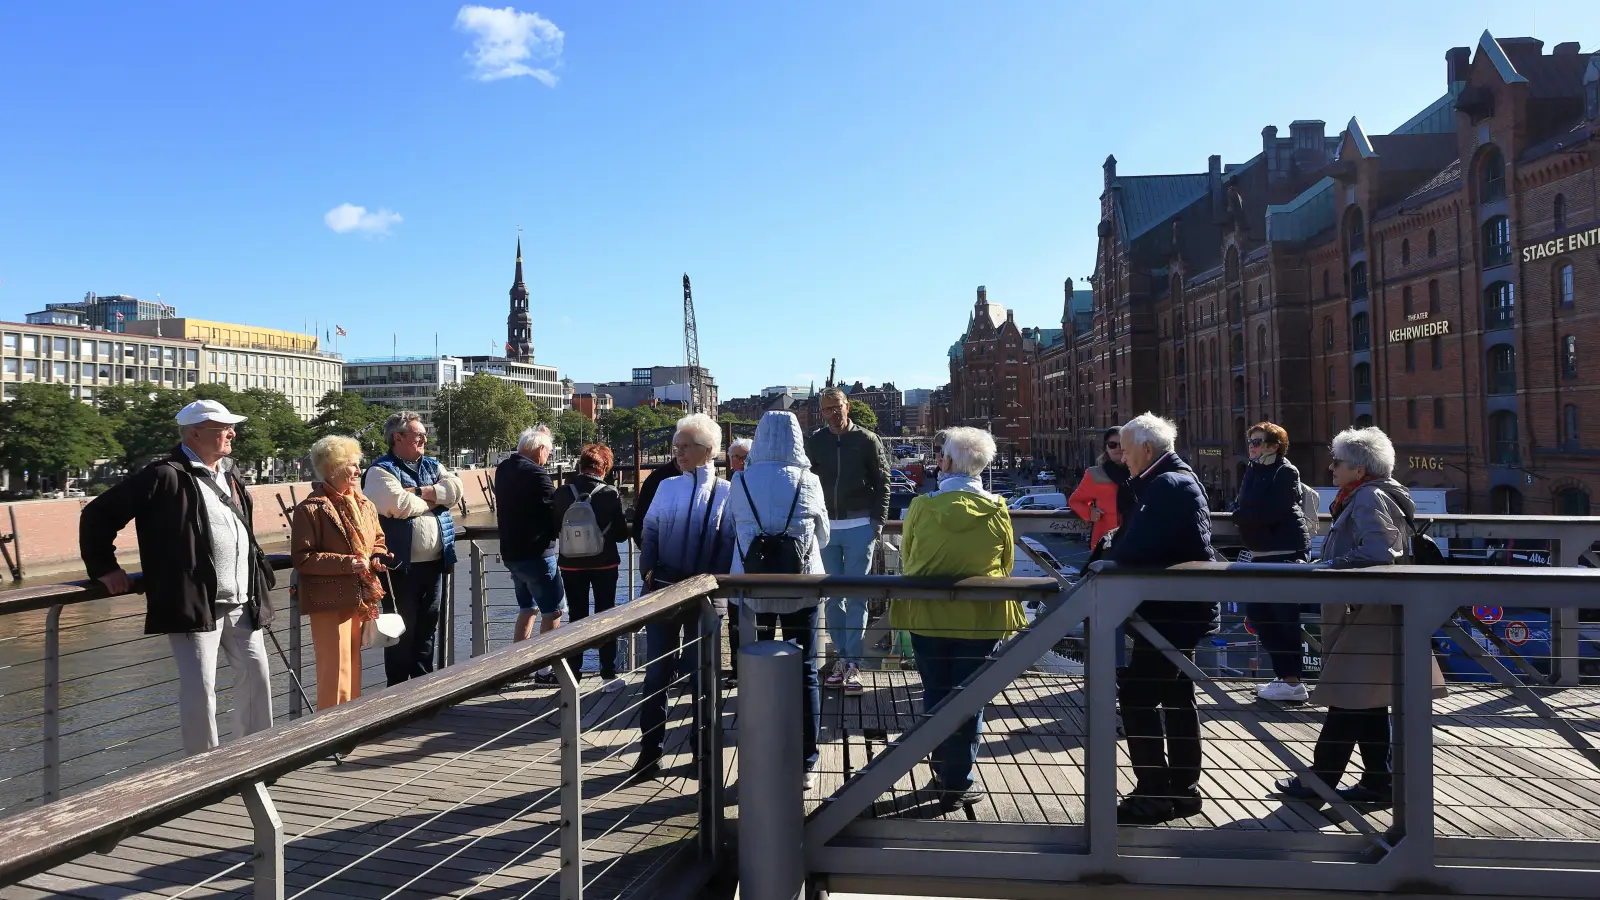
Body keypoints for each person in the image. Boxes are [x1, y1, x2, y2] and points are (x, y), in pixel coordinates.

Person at [80, 399, 276, 755]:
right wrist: (105, 568)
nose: (232, 433)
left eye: (232, 427)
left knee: (257, 674)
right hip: (194, 601)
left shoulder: (230, 474)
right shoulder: (164, 474)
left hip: (242, 600)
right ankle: (203, 771)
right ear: (195, 432)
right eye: (223, 428)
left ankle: (256, 756)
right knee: (201, 687)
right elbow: (97, 515)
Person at [1275, 426, 1446, 806]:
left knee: (1347, 698)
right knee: (1368, 701)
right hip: (1377, 613)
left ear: (1359, 468)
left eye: (1338, 463)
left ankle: (1321, 781)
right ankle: (1378, 781)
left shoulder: (1369, 498)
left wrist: (1333, 566)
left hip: (1366, 615)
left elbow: (1380, 553)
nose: (1331, 468)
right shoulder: (1375, 494)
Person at [892, 426, 1025, 811]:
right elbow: (1006, 564)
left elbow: (908, 560)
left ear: (947, 462)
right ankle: (958, 779)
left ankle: (940, 767)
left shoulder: (921, 507)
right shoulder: (999, 509)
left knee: (935, 690)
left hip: (928, 615)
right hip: (980, 618)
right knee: (971, 698)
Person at [1109, 413, 1220, 825]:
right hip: (1182, 607)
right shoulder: (1174, 479)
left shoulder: (1166, 485)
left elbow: (1135, 547)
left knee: (1137, 696)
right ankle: (1184, 792)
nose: (1122, 458)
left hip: (1171, 611)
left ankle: (1153, 795)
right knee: (1176, 698)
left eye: (1125, 448)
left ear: (1148, 450)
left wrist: (1104, 563)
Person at [728, 411, 830, 790]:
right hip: (800, 586)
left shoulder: (740, 480)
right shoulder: (810, 481)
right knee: (805, 671)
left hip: (749, 588)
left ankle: (758, 754)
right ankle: (806, 760)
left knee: (753, 673)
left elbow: (730, 529)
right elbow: (823, 537)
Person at [631, 413, 736, 781]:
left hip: (706, 599)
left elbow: (728, 542)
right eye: (677, 446)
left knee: (702, 674)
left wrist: (712, 583)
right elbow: (650, 530)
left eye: (686, 446)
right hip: (662, 591)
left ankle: (701, 752)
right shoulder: (667, 486)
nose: (679, 452)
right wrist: (649, 570)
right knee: (656, 673)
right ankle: (649, 753)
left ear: (708, 450)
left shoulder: (727, 492)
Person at [365, 411, 463, 686]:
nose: (424, 439)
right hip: (399, 568)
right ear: (398, 437)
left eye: (424, 435)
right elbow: (398, 505)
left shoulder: (432, 464)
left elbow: (456, 490)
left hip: (434, 564)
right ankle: (397, 694)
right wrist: (436, 497)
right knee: (399, 634)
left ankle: (424, 690)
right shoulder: (379, 470)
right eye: (418, 435)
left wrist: (418, 492)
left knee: (426, 631)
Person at [291, 435, 388, 710]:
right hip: (329, 600)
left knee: (353, 665)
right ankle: (329, 734)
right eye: (353, 465)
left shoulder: (364, 504)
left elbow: (377, 539)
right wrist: (347, 564)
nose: (359, 471)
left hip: (360, 595)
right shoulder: (311, 509)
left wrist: (378, 556)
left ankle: (351, 727)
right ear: (333, 467)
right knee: (334, 670)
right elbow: (303, 558)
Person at [805, 387, 890, 695]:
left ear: (847, 405)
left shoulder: (867, 440)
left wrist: (877, 522)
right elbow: (808, 483)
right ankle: (843, 658)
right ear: (822, 412)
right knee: (832, 596)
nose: (832, 413)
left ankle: (853, 663)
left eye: (836, 406)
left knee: (856, 595)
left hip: (859, 526)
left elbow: (883, 480)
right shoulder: (815, 442)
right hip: (827, 527)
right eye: (826, 409)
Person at [1231, 422, 1313, 702]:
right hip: (1260, 552)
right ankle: (1284, 678)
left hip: (1285, 551)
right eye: (1250, 442)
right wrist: (1244, 514)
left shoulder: (1286, 471)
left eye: (1257, 442)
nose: (1251, 447)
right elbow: (1241, 505)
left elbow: (1272, 512)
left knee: (1284, 617)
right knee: (1258, 615)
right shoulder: (1253, 469)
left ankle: (1292, 682)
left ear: (1273, 446)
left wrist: (1243, 515)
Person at [551, 443, 630, 693]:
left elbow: (555, 529)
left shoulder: (563, 492)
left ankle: (574, 675)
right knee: (606, 615)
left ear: (581, 465)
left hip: (571, 565)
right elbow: (619, 535)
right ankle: (608, 675)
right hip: (604, 563)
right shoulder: (609, 493)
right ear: (604, 467)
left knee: (576, 618)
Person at [495, 427, 564, 683]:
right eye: (549, 451)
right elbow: (554, 512)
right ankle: (544, 671)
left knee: (527, 608)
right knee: (554, 611)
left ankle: (517, 668)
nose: (549, 456)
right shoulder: (538, 474)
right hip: (537, 553)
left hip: (512, 554)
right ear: (539, 450)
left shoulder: (503, 469)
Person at [1068, 427, 1134, 554]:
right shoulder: (1095, 474)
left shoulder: (1140, 471)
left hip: (1136, 541)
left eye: (1122, 444)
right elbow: (1074, 501)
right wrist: (1090, 512)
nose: (1118, 448)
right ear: (1106, 448)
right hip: (1105, 542)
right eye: (1112, 445)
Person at [725, 436, 753, 679]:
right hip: (738, 561)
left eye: (744, 457)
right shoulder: (733, 482)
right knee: (735, 619)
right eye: (735, 457)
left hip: (750, 561)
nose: (740, 461)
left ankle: (751, 668)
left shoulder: (742, 482)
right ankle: (737, 668)